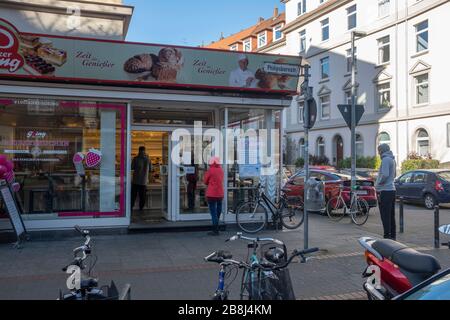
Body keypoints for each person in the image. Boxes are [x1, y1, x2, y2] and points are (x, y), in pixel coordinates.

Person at [375, 143, 397, 240]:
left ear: (382, 151)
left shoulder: (385, 159)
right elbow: (394, 174)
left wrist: (378, 184)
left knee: (385, 215)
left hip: (384, 191)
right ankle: (392, 236)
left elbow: (384, 175)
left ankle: (386, 236)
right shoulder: (392, 159)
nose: (378, 153)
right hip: (392, 190)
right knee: (391, 215)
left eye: (379, 151)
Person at [203, 156, 224, 236]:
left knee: (213, 212)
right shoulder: (221, 170)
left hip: (211, 194)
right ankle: (216, 225)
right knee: (218, 210)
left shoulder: (210, 170)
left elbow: (205, 181)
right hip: (220, 193)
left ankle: (215, 230)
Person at [131, 146, 151, 211]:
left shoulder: (135, 159)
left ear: (139, 150)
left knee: (133, 195)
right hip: (144, 181)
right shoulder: (148, 159)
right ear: (145, 150)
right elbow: (151, 169)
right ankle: (141, 208)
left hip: (135, 180)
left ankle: (131, 207)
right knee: (142, 196)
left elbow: (132, 167)